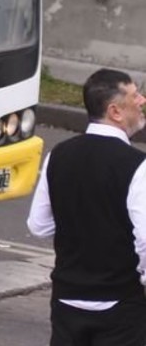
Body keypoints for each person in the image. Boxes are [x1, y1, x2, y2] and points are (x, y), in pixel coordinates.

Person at [27, 68, 146, 346]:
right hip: (120, 305)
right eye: (134, 95)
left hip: (67, 300)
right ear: (115, 111)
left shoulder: (58, 155)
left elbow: (38, 225)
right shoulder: (137, 166)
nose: (141, 100)